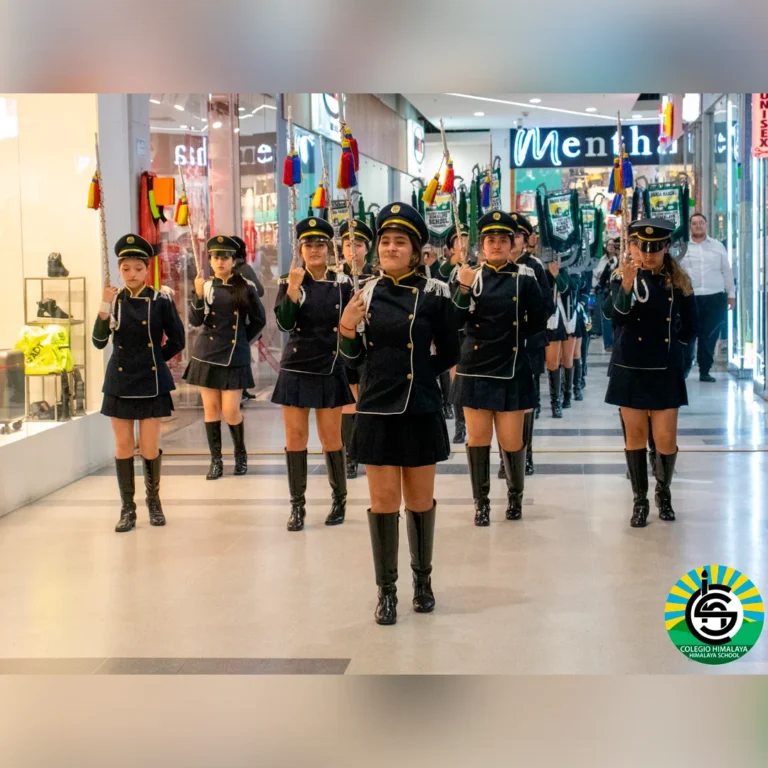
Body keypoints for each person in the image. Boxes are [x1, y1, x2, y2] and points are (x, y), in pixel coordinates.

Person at [339, 202, 459, 625]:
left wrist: (421, 371)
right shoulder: (364, 293)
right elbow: (351, 361)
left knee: (420, 500)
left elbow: (450, 351)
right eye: (385, 241)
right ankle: (386, 592)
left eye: (400, 242)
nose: (391, 248)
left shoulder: (434, 294)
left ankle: (422, 582)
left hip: (421, 405)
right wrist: (347, 328)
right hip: (375, 407)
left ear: (415, 249)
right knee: (383, 502)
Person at [452, 211, 546, 526]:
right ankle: (481, 503)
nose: (496, 245)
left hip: (513, 367)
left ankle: (515, 498)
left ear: (512, 244)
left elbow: (538, 319)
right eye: (490, 240)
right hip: (475, 368)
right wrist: (463, 290)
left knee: (511, 441)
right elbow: (453, 322)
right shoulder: (467, 275)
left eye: (503, 240)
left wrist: (522, 348)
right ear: (482, 244)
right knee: (478, 440)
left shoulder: (525, 277)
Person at [606, 219, 697, 528]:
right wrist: (627, 286)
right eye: (643, 248)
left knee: (665, 438)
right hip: (630, 365)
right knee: (634, 436)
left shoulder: (680, 282)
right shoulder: (622, 277)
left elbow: (691, 325)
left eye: (655, 248)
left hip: (664, 367)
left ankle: (664, 491)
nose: (649, 254)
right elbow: (615, 318)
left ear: (666, 247)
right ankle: (640, 500)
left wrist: (679, 353)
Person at [92, 234, 185, 532]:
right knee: (122, 446)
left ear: (147, 269)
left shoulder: (160, 300)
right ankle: (127, 509)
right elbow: (97, 341)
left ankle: (154, 502)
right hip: (119, 380)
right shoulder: (114, 300)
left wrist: (157, 359)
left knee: (148, 447)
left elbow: (178, 339)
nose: (132, 274)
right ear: (120, 269)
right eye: (126, 268)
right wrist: (103, 306)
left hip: (150, 380)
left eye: (138, 268)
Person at [272, 217, 355, 530]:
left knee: (331, 438)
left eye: (321, 244)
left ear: (329, 248)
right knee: (295, 438)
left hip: (330, 366)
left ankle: (339, 500)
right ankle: (297, 506)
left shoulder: (343, 281)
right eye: (309, 245)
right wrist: (293, 288)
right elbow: (283, 324)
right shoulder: (289, 280)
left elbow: (352, 323)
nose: (315, 250)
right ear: (300, 249)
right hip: (296, 365)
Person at [184, 235, 266, 480]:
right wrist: (198, 295)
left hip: (234, 355)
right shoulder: (205, 286)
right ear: (209, 260)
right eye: (216, 257)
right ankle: (216, 461)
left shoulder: (245, 286)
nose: (220, 261)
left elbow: (259, 320)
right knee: (211, 410)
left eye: (225, 257)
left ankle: (240, 454)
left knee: (231, 410)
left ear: (233, 260)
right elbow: (195, 321)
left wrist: (242, 340)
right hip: (207, 354)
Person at [510, 213, 554, 476]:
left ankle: (526, 454)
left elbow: (546, 305)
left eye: (517, 236)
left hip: (529, 344)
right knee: (505, 405)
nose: (513, 240)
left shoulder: (534, 266)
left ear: (526, 240)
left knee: (527, 402)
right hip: (502, 347)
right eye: (509, 235)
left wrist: (524, 324)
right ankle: (509, 455)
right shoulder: (495, 265)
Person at [338, 218, 377, 479]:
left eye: (359, 244)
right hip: (343, 345)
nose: (353, 250)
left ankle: (366, 449)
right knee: (347, 402)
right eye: (348, 244)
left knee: (364, 399)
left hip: (369, 346)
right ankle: (349, 456)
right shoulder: (334, 278)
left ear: (367, 248)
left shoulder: (376, 277)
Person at [680, 213, 736, 381]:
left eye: (701, 223)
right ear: (690, 227)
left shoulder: (717, 246)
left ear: (706, 225)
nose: (698, 225)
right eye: (695, 223)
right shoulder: (682, 247)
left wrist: (731, 295)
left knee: (709, 335)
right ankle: (684, 368)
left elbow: (727, 271)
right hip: (690, 297)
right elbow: (675, 271)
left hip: (715, 297)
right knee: (688, 335)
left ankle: (705, 370)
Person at [438, 224, 470, 443]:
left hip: (473, 329)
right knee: (456, 377)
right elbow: (440, 281)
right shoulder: (445, 269)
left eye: (466, 240)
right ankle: (460, 425)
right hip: (454, 329)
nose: (463, 244)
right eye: (458, 241)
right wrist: (453, 262)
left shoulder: (477, 266)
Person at [232, 235, 265, 402]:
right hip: (245, 320)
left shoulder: (220, 271)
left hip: (229, 322)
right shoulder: (245, 269)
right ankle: (241, 388)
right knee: (243, 354)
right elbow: (260, 290)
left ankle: (240, 388)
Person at [544, 258, 573, 418]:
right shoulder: (540, 269)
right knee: (552, 362)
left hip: (567, 317)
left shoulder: (568, 270)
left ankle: (564, 396)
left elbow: (570, 289)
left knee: (567, 359)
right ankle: (551, 402)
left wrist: (557, 275)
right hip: (549, 319)